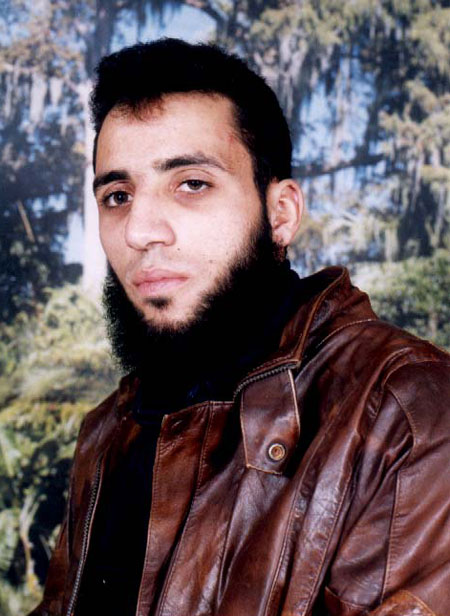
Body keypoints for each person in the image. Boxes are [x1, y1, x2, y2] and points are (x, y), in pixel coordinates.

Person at [30, 38, 450, 616]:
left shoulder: (408, 412)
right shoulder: (108, 430)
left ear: (281, 214)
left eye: (191, 184)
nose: (139, 231)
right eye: (118, 195)